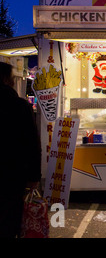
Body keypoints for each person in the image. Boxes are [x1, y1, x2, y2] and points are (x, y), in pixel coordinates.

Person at [0, 62, 41, 238]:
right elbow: (31, 142)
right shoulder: (19, 106)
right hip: (12, 172)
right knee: (10, 218)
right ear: (6, 80)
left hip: (12, 171)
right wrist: (34, 176)